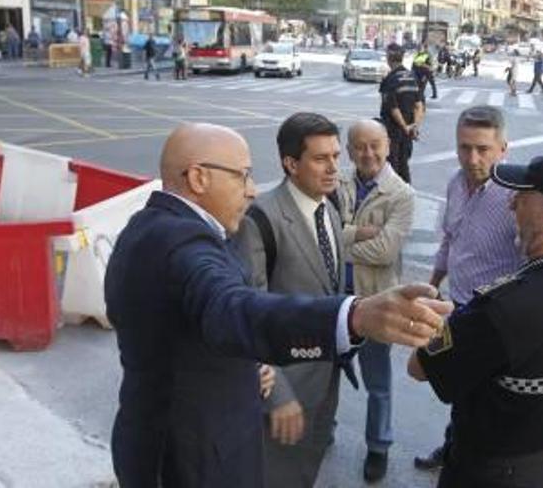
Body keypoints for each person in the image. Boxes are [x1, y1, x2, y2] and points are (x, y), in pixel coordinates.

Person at [105, 122, 451, 488]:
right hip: (192, 460)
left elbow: (179, 326)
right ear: (198, 178)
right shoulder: (184, 245)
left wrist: (245, 366)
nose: (252, 190)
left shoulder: (145, 227)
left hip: (163, 438)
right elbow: (234, 307)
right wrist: (354, 315)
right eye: (243, 176)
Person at [408, 149, 543, 488]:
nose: (511, 205)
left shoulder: (505, 307)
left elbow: (419, 367)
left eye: (523, 197)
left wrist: (435, 323)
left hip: (490, 472)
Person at [231, 112, 351, 488]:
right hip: (285, 388)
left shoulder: (328, 208)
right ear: (290, 163)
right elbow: (249, 313)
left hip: (325, 377)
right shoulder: (261, 218)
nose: (333, 167)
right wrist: (277, 393)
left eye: (336, 155)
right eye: (321, 158)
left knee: (306, 469)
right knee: (276, 475)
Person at [414, 105, 522, 470]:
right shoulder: (455, 184)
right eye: (464, 147)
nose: (472, 158)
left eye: (482, 149)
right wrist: (431, 285)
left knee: (488, 395)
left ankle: (477, 460)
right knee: (461, 389)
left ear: (503, 149)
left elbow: (531, 261)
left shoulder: (516, 198)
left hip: (495, 316)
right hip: (457, 305)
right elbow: (450, 238)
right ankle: (454, 448)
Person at [337, 120, 416, 482]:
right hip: (335, 301)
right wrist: (355, 234)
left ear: (387, 146)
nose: (367, 153)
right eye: (359, 146)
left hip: (375, 303)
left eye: (374, 145)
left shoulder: (401, 194)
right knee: (324, 373)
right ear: (349, 150)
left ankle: (378, 447)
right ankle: (324, 428)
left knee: (378, 384)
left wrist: (340, 243)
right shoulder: (336, 183)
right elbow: (318, 233)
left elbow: (385, 251)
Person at [378, 43, 424, 184]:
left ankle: (395, 198)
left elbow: (393, 108)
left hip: (393, 131)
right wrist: (414, 127)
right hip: (408, 132)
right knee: (404, 165)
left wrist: (404, 127)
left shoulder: (390, 79)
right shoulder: (412, 77)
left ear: (388, 58)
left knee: (392, 167)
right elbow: (419, 105)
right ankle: (406, 195)